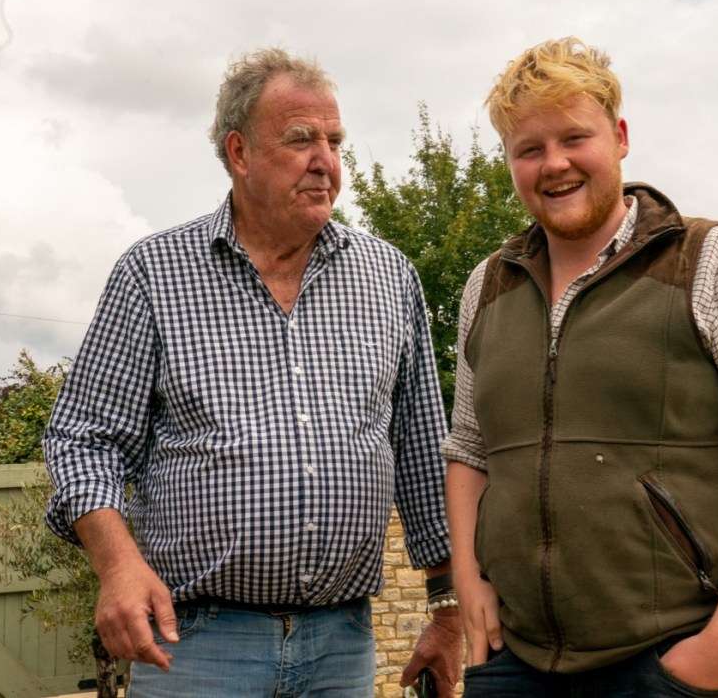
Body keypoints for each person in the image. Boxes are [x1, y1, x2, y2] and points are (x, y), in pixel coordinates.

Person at [44, 47, 461, 697]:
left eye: (334, 140)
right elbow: (82, 438)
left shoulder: (388, 277)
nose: (326, 160)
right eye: (301, 140)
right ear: (239, 153)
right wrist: (117, 564)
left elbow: (420, 461)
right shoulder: (154, 275)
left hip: (342, 645)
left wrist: (447, 609)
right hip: (198, 643)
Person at [442, 36, 718, 697]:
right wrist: (468, 580)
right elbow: (469, 451)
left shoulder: (711, 260)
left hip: (665, 664)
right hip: (513, 662)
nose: (554, 163)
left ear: (620, 137)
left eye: (574, 138)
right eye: (529, 149)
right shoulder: (488, 285)